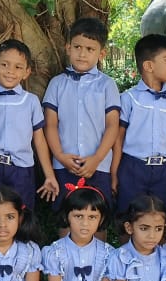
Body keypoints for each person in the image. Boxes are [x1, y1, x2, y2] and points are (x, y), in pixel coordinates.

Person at [42, 18, 121, 211]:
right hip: (64, 165)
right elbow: (50, 124)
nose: (82, 54)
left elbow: (112, 126)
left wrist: (96, 158)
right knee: (65, 215)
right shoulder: (57, 84)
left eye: (90, 49)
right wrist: (60, 156)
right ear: (68, 48)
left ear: (101, 54)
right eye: (77, 47)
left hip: (98, 166)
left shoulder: (107, 85)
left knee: (97, 216)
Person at [111, 34, 166, 221]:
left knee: (161, 218)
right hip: (133, 168)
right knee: (128, 217)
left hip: (165, 170)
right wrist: (114, 174)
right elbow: (118, 139)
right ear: (148, 66)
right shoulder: (129, 99)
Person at [0, 39, 60, 210]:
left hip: (22, 169)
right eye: (4, 65)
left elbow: (39, 141)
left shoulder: (31, 101)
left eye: (18, 67)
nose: (10, 71)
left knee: (23, 213)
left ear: (27, 72)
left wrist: (49, 175)